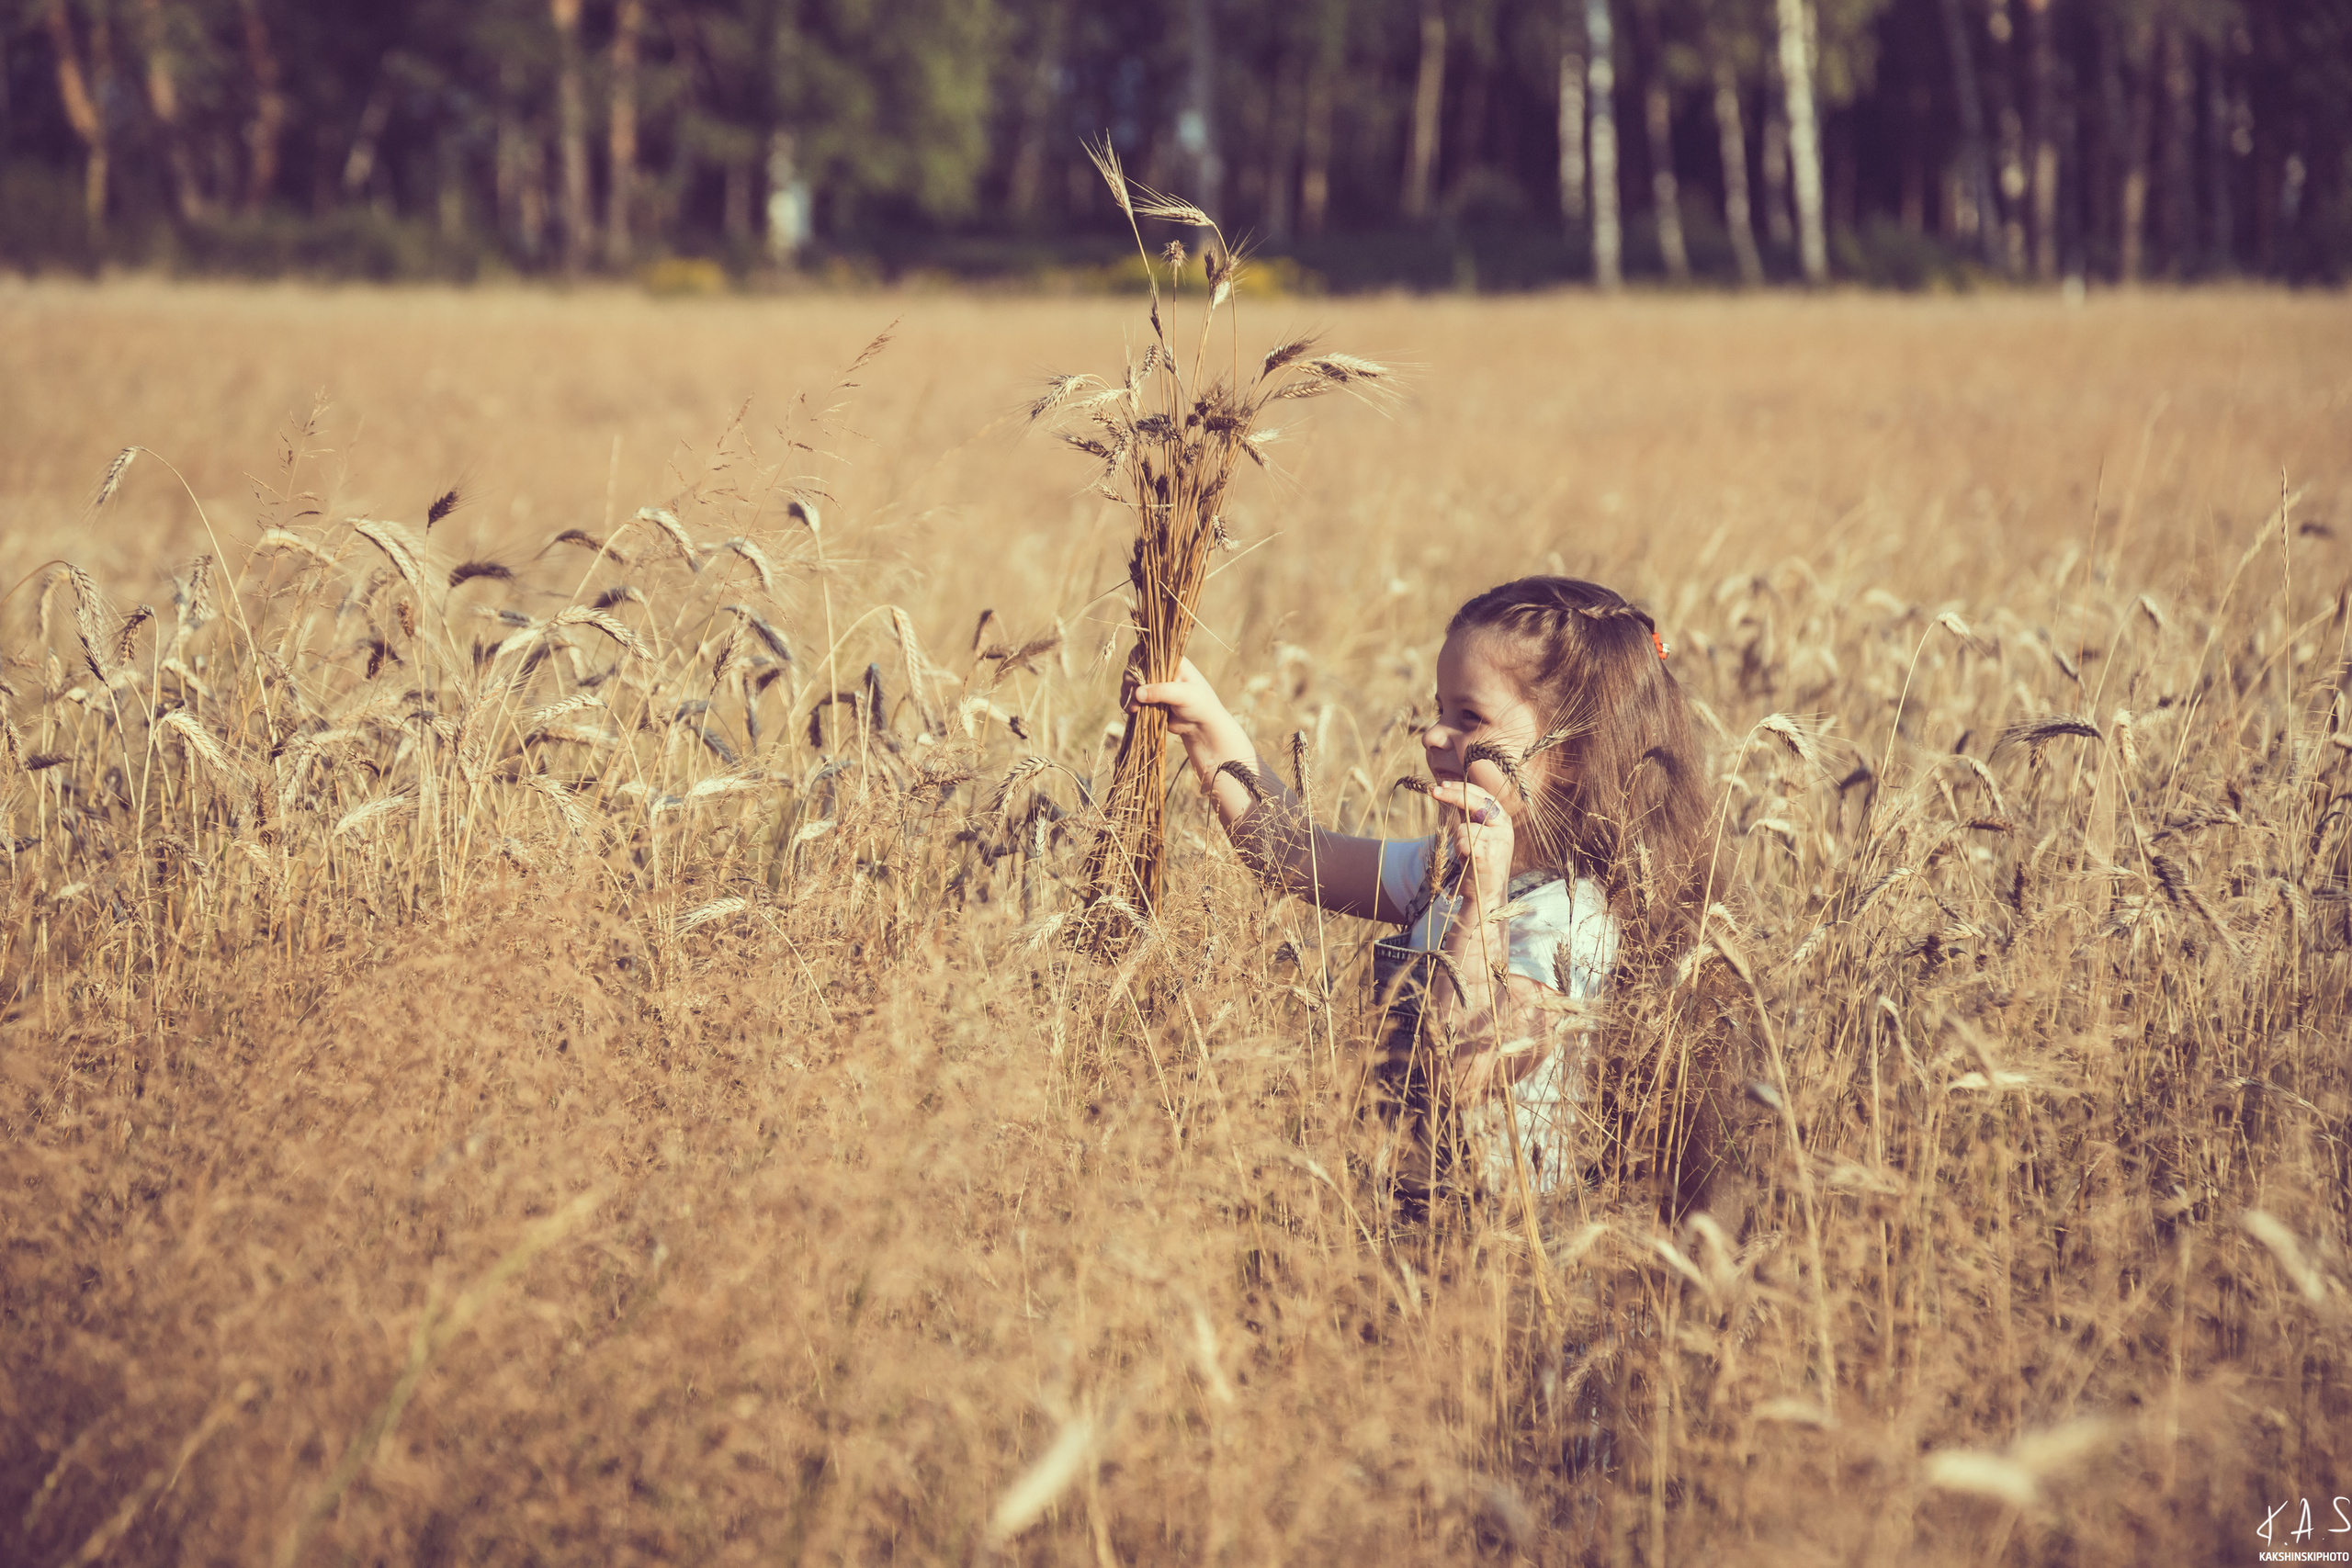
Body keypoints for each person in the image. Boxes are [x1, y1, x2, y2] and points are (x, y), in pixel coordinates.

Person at [1127, 575, 1715, 1212]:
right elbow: (1298, 855)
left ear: (1569, 755)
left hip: (1506, 1243)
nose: (1434, 735)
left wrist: (1479, 900)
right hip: (1406, 1210)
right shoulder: (1443, 868)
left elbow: (1464, 1066)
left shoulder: (1571, 920)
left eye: (1469, 717)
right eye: (1439, 710)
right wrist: (1207, 725)